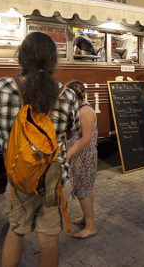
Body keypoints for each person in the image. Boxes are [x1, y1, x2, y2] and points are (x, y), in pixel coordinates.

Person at [0, 32, 80, 267]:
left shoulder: (1, 88)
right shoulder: (68, 95)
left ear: (21, 56)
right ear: (53, 61)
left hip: (18, 178)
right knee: (49, 240)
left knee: (15, 231)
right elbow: (72, 132)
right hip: (54, 180)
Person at [65, 80, 98, 239]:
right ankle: (87, 218)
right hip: (82, 154)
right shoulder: (82, 108)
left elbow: (85, 139)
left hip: (83, 156)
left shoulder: (85, 111)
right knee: (86, 188)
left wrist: (68, 154)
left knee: (82, 190)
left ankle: (91, 226)